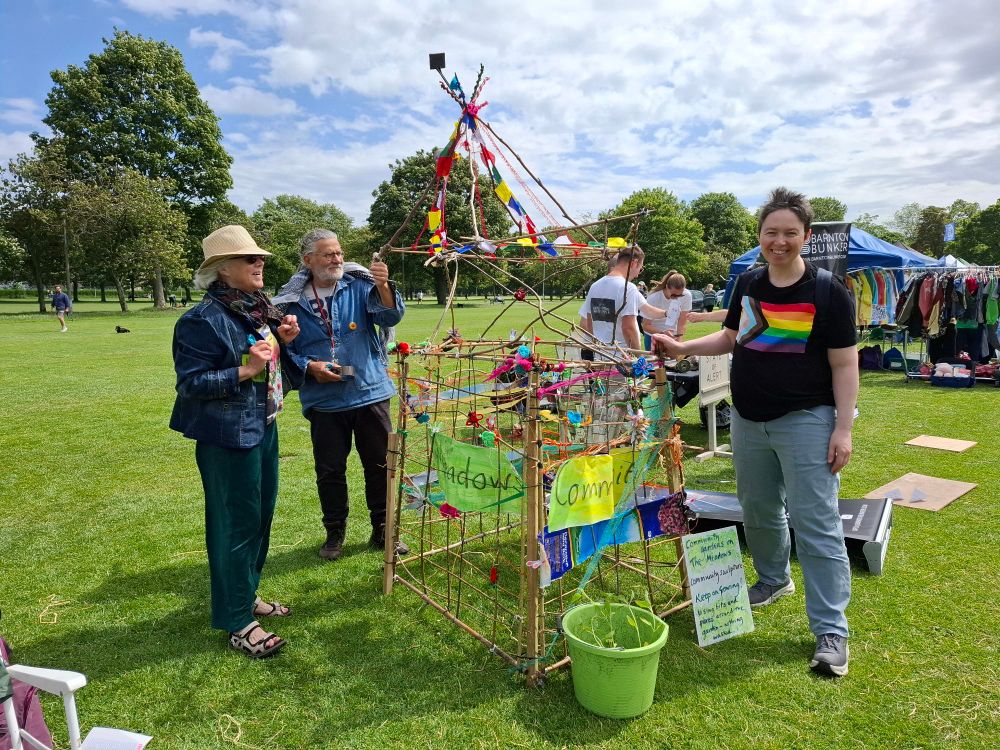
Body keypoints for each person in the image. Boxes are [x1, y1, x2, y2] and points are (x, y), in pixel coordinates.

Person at [651, 188, 858, 677]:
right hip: (748, 418)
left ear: (806, 237)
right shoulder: (747, 283)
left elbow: (845, 364)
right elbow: (731, 335)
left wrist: (843, 428)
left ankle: (831, 629)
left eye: (790, 233)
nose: (779, 241)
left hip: (807, 419)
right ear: (760, 237)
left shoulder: (829, 292)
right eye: (771, 232)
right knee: (760, 509)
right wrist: (682, 349)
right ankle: (772, 579)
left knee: (816, 521)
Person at [170, 225, 302, 659]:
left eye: (259, 257)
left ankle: (246, 596)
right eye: (249, 259)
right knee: (235, 526)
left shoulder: (253, 312)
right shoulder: (200, 320)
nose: (259, 263)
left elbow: (272, 370)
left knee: (259, 518)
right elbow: (191, 384)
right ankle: (238, 621)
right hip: (227, 437)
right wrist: (245, 370)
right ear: (223, 270)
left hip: (261, 426)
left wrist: (281, 344)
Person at [276, 229, 406, 561]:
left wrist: (383, 286)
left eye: (338, 253)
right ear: (308, 261)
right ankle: (335, 533)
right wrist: (310, 367)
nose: (337, 259)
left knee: (380, 465)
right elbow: (284, 349)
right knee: (330, 470)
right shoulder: (290, 303)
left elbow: (390, 316)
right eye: (328, 254)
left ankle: (384, 531)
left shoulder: (361, 287)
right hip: (324, 401)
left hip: (369, 392)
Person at [578, 247, 665, 358]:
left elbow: (589, 324)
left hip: (600, 356)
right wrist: (638, 358)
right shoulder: (628, 288)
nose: (638, 274)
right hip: (621, 358)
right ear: (634, 263)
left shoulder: (595, 286)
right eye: (640, 268)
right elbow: (628, 328)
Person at [642, 271, 692, 349]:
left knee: (673, 361)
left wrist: (679, 341)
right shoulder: (653, 298)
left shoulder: (687, 296)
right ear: (667, 287)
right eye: (674, 295)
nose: (677, 297)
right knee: (654, 360)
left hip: (672, 336)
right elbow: (645, 326)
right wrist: (662, 333)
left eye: (680, 295)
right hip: (653, 336)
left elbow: (682, 323)